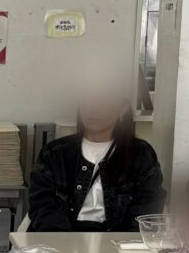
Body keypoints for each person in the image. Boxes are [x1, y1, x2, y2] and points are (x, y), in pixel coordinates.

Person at [25, 96, 165, 232]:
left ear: (121, 109)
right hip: (60, 239)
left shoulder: (141, 154)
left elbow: (147, 209)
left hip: (116, 240)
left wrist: (118, 242)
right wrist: (68, 241)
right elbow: (41, 206)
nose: (93, 109)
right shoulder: (54, 153)